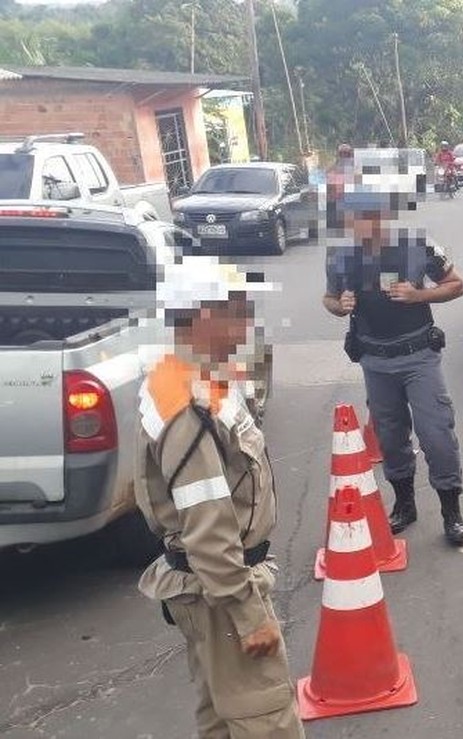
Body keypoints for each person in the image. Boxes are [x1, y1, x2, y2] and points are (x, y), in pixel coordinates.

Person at [136, 257, 304, 738]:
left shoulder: (200, 376)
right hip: (222, 594)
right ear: (200, 316)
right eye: (238, 309)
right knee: (266, 719)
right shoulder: (185, 402)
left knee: (222, 718)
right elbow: (208, 526)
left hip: (210, 590)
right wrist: (249, 616)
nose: (248, 321)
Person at [322, 158, 463, 545]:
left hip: (418, 356)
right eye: (354, 217)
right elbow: (329, 298)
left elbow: (457, 285)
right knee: (390, 439)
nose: (362, 224)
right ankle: (404, 503)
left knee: (436, 433)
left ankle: (451, 511)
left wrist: (419, 294)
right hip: (375, 362)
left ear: (385, 214)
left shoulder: (417, 244)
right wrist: (341, 305)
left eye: (370, 215)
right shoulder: (341, 256)